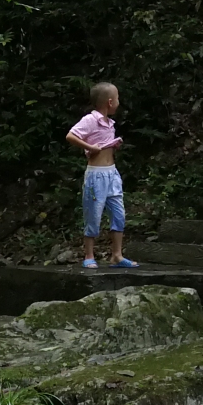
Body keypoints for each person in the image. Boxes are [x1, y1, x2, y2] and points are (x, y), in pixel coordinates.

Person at [66, 82, 137, 269]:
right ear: (110, 102)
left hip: (112, 173)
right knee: (93, 213)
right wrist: (90, 147)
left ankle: (117, 255)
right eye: (118, 99)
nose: (119, 103)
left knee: (118, 213)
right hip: (96, 175)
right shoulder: (90, 119)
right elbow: (71, 136)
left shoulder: (109, 123)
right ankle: (89, 255)